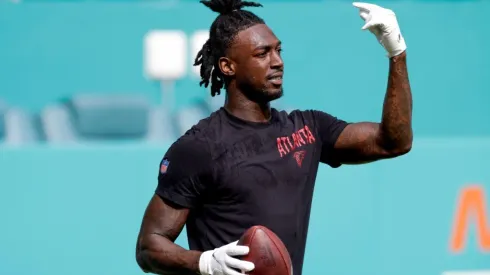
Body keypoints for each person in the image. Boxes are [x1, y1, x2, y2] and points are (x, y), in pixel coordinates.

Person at [135, 0, 412, 275]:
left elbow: (394, 142)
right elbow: (149, 247)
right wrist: (205, 262)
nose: (277, 62)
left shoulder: (308, 128)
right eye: (262, 54)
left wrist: (396, 51)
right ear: (227, 66)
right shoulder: (199, 147)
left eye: (278, 50)